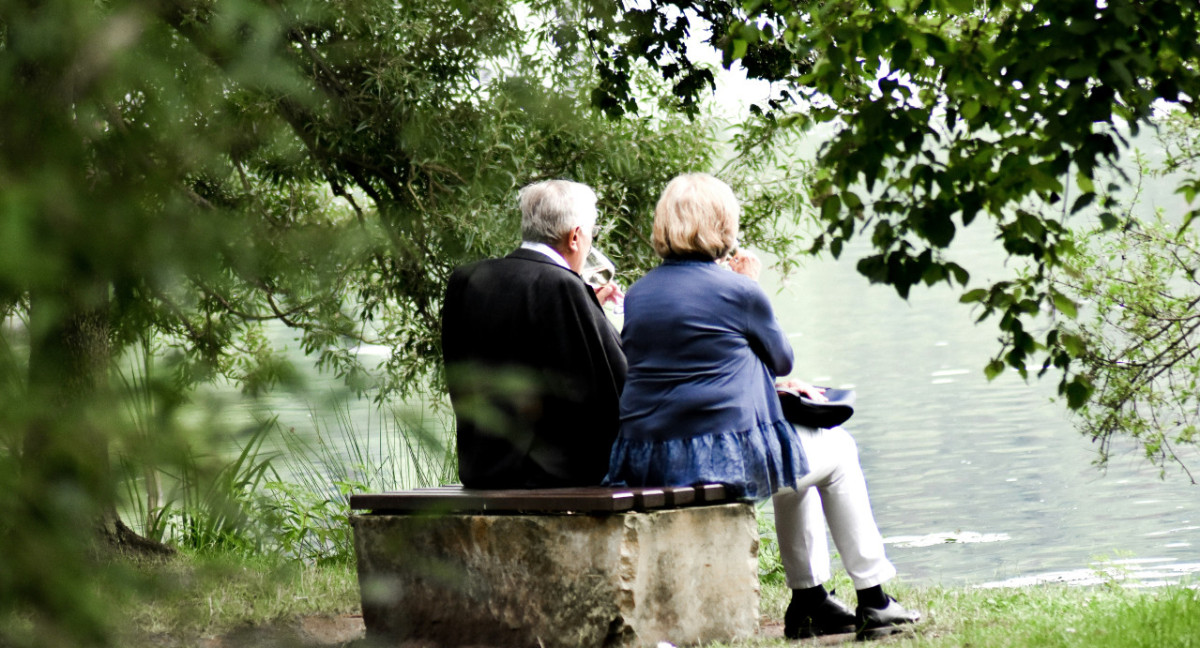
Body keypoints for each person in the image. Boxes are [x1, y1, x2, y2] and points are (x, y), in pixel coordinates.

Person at [604, 173, 920, 640]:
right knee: (838, 450)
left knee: (800, 463)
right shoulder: (738, 290)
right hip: (716, 461)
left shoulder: (641, 294)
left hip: (649, 456)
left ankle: (810, 600)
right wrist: (750, 284)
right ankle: (873, 598)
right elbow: (781, 358)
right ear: (722, 224)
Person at [441, 179, 626, 489]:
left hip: (481, 468)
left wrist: (589, 304)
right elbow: (612, 387)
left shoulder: (466, 280)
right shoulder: (563, 287)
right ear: (576, 237)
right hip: (553, 476)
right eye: (592, 234)